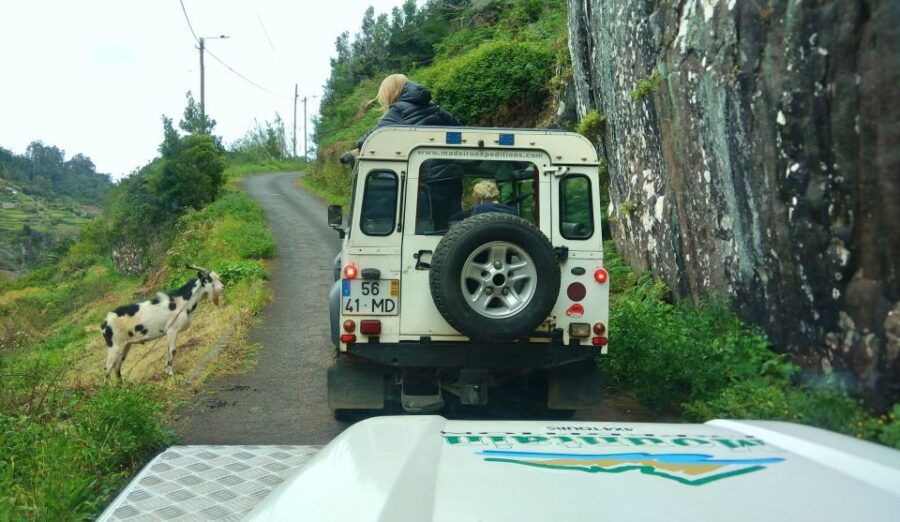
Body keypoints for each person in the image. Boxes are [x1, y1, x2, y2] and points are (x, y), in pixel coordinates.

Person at [345, 74, 464, 230]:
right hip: (452, 179)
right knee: (450, 234)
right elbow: (459, 129)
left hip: (427, 184)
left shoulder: (399, 110)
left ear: (389, 92)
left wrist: (354, 151)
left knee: (423, 233)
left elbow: (368, 140)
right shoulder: (434, 108)